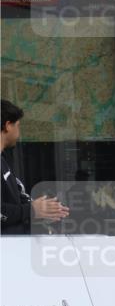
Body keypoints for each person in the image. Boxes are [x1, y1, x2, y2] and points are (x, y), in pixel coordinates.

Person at [1, 99, 70, 234]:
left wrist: (45, 211)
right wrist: (32, 210)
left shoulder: (3, 161)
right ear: (8, 125)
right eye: (18, 125)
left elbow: (17, 203)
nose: (18, 133)